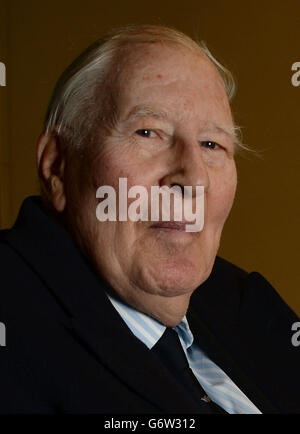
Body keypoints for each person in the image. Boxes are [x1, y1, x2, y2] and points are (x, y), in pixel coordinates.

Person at [0, 25, 299, 414]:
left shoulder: (243, 301)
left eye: (212, 144)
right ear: (57, 166)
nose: (192, 177)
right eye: (148, 132)